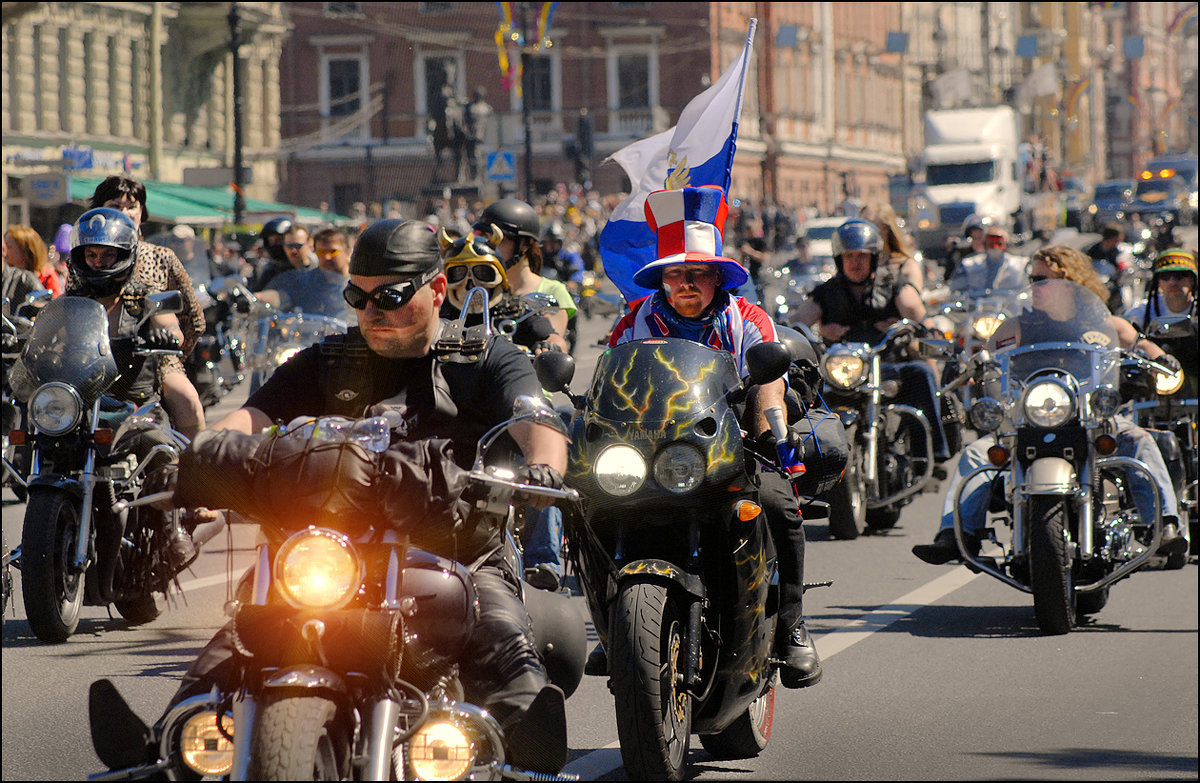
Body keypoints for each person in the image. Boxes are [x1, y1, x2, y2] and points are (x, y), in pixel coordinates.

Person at [146, 218, 571, 774]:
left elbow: (535, 421)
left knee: (509, 661)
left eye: (390, 297)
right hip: (327, 547)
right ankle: (160, 743)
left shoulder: (484, 357)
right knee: (229, 650)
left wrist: (543, 469)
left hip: (457, 551)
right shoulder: (330, 357)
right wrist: (204, 456)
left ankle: (527, 763)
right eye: (358, 296)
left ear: (436, 290)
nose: (372, 312)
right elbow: (250, 418)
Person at [606, 185, 822, 690]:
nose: (685, 284)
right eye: (675, 274)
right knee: (592, 501)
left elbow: (768, 384)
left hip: (732, 449)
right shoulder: (634, 321)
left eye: (697, 273)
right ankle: (615, 622)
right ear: (662, 278)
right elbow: (612, 382)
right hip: (652, 453)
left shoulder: (747, 319)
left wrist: (770, 434)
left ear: (716, 277)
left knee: (778, 504)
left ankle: (791, 623)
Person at [913, 245, 1186, 564]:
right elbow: (985, 355)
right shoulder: (1017, 326)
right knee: (976, 453)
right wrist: (967, 366)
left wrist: (1160, 359)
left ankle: (1165, 525)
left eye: (1042, 278)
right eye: (1031, 278)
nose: (1034, 285)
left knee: (1141, 440)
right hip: (1029, 419)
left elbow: (1139, 343)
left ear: (1069, 279)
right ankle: (955, 535)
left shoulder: (1105, 324)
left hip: (1092, 418)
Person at [66, 207, 202, 566]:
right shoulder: (72, 301)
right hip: (84, 404)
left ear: (125, 255)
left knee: (163, 452)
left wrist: (165, 332)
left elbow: (171, 324)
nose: (98, 262)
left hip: (136, 404)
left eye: (108, 254)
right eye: (91, 255)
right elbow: (47, 334)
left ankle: (176, 526)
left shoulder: (143, 296)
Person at [793, 218, 956, 463]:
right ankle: (804, 460)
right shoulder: (826, 292)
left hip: (887, 365)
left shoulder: (894, 286)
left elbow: (920, 317)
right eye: (849, 256)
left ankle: (932, 452)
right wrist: (801, 334)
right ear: (839, 258)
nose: (855, 263)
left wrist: (917, 329)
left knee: (921, 372)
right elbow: (797, 323)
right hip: (843, 371)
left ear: (874, 257)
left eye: (862, 256)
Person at [82, 175, 206, 365]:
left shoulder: (161, 256)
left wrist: (172, 357)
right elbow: (70, 306)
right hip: (91, 359)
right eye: (115, 207)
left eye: (132, 207)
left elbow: (195, 319)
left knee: (186, 396)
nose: (124, 213)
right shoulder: (81, 253)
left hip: (152, 362)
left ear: (142, 212)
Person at [1125, 247, 1197, 397]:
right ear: (1158, 282)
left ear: (1192, 280)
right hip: (1154, 385)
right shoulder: (1139, 314)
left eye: (1179, 276)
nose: (1172, 282)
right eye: (1165, 276)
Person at [258, 226, 353, 321]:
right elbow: (282, 295)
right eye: (321, 252)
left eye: (332, 251)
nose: (327, 257)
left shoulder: (357, 282)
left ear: (348, 253)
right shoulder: (308, 280)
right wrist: (259, 297)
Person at [860, 201, 924, 292]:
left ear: (886, 229)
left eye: (870, 224)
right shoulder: (853, 265)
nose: (862, 229)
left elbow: (912, 302)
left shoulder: (906, 266)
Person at [949, 224, 1027, 293]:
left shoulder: (1020, 265)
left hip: (1008, 308)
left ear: (1006, 244)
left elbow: (1027, 291)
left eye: (999, 243)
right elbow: (955, 290)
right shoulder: (968, 265)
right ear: (984, 243)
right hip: (977, 308)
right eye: (990, 243)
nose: (994, 247)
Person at [4, 225, 63, 297]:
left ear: (25, 250)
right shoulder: (7, 277)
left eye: (9, 246)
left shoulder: (47, 277)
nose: (4, 250)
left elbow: (54, 305)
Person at [1085, 223, 1129, 313]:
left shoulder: (1118, 252)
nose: (1119, 242)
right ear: (1111, 238)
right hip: (1098, 285)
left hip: (1114, 288)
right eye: (1117, 239)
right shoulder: (1093, 251)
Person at [247, 216, 295, 291]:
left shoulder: (304, 267)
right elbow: (257, 291)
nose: (275, 244)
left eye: (279, 240)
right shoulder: (269, 270)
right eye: (271, 241)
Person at [943, 214, 987, 283]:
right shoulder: (962, 257)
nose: (977, 242)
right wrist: (952, 251)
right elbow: (949, 279)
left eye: (980, 237)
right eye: (973, 238)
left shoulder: (991, 255)